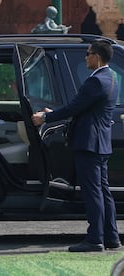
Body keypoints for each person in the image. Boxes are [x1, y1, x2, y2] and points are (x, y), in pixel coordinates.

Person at [32, 40, 121, 252]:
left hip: (89, 143)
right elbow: (82, 108)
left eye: (88, 53)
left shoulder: (96, 81)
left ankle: (94, 239)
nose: (85, 57)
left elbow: (74, 107)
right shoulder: (111, 78)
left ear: (97, 57)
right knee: (102, 191)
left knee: (93, 193)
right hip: (100, 143)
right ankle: (111, 237)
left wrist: (45, 117)